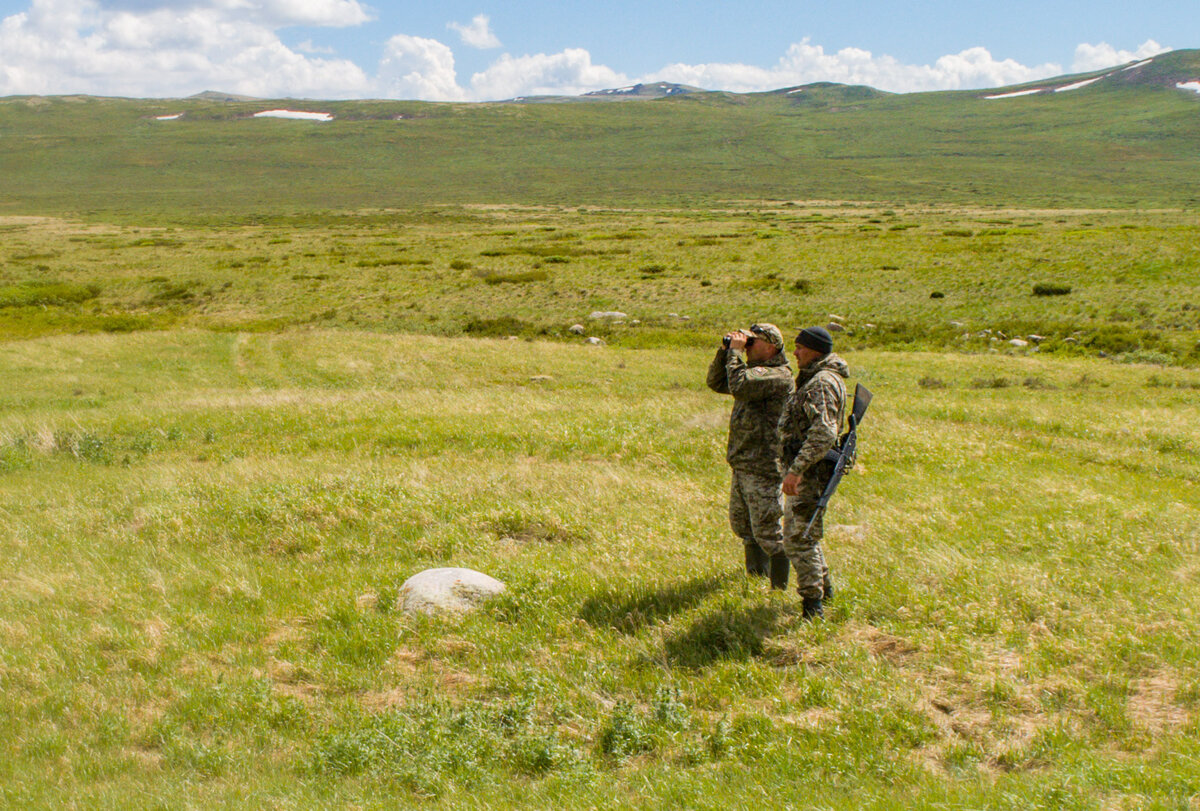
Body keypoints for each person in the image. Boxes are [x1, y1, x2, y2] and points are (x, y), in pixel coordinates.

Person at [706, 323, 795, 589]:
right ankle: (756, 579)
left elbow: (740, 386)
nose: (747, 346)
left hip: (764, 464)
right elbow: (717, 382)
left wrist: (734, 353)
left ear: (771, 347)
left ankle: (778, 588)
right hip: (744, 461)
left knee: (768, 531)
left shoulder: (778, 375)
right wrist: (725, 352)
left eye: (752, 342)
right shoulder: (751, 372)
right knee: (744, 526)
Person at [779, 326, 849, 619]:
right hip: (809, 470)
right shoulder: (819, 378)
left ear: (816, 350)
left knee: (800, 539)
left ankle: (812, 607)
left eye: (800, 347)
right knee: (803, 534)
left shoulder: (821, 382)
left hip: (810, 473)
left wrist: (797, 470)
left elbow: (824, 432)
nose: (795, 353)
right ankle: (825, 591)